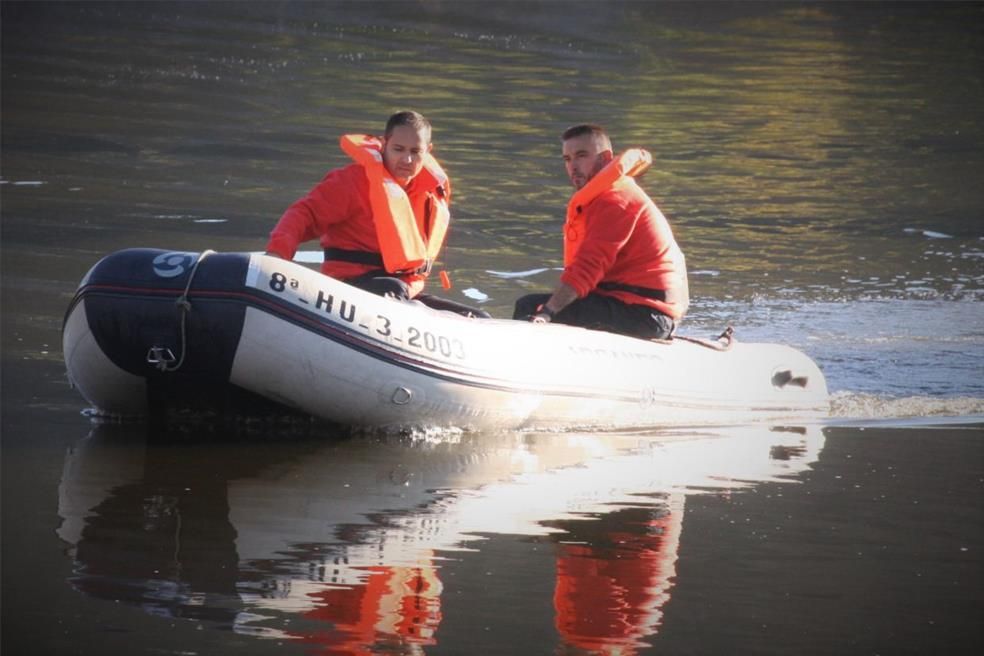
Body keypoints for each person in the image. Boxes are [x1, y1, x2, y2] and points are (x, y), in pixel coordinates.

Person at [265, 110, 488, 317]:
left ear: (428, 151)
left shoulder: (429, 191)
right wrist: (277, 255)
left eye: (415, 152)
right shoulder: (352, 181)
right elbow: (304, 214)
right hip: (349, 284)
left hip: (404, 290)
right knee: (393, 289)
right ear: (384, 144)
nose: (407, 160)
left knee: (479, 318)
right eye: (398, 149)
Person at [512, 124, 689, 339]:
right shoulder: (604, 195)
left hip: (648, 314)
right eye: (567, 159)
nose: (573, 166)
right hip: (632, 304)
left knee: (530, 308)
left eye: (581, 156)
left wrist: (547, 313)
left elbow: (588, 266)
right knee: (534, 306)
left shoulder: (616, 200)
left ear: (605, 158)